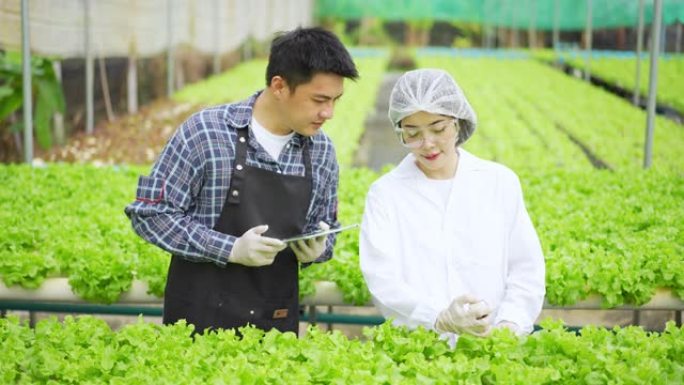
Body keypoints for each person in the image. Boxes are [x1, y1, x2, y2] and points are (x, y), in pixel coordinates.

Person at [125, 27, 358, 335]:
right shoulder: (206, 133)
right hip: (198, 320)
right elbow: (150, 215)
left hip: (275, 323)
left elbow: (323, 227)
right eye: (319, 99)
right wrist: (230, 249)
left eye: (335, 100)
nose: (328, 112)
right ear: (279, 86)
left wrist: (318, 247)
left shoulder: (321, 151)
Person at [359, 69, 545, 343]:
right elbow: (382, 279)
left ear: (458, 122)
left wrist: (510, 323)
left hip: (493, 343)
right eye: (413, 133)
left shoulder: (499, 182)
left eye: (438, 129)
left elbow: (526, 267)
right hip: (419, 347)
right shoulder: (385, 194)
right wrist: (437, 318)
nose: (428, 144)